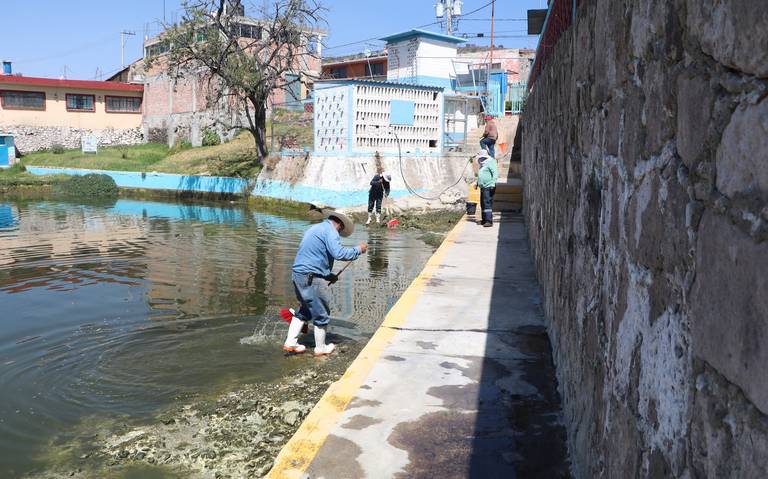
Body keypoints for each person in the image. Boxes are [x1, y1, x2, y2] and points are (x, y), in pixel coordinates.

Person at [283, 210, 368, 356]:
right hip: (311, 277)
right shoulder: (331, 231)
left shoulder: (315, 228)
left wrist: (328, 276)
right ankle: (320, 348)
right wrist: (358, 250)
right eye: (341, 230)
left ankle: (291, 343)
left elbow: (314, 256)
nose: (340, 234)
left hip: (298, 274)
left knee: (306, 309)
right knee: (322, 313)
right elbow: (339, 253)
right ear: (340, 224)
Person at [476, 149, 498, 227]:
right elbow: (481, 174)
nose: (481, 159)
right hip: (483, 187)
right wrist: (477, 183)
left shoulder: (491, 162)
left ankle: (489, 221)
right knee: (483, 203)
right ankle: (484, 219)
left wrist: (492, 183)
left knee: (487, 203)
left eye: (483, 157)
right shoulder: (483, 164)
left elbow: (495, 173)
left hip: (489, 186)